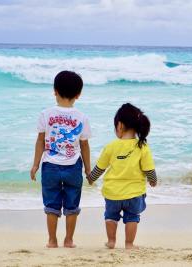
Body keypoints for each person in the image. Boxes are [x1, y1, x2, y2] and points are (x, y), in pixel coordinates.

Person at [30, 70, 91, 248]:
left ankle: (52, 240)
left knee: (51, 204)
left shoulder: (45, 114)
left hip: (50, 166)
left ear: (54, 91)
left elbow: (40, 141)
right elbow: (84, 145)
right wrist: (88, 169)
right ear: (78, 95)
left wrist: (35, 165)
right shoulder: (81, 117)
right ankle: (69, 240)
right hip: (73, 167)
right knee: (72, 204)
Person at [88, 103, 157, 249]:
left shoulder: (111, 146)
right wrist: (153, 181)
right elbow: (149, 169)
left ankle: (111, 241)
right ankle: (129, 244)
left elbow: (100, 168)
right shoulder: (142, 147)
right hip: (134, 194)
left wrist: (91, 178)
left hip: (113, 193)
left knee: (110, 216)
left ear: (119, 126)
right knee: (132, 217)